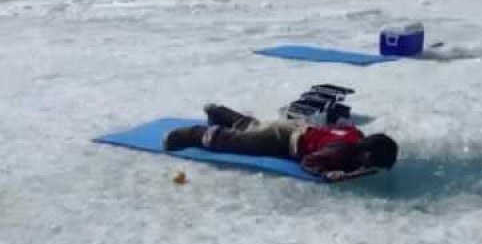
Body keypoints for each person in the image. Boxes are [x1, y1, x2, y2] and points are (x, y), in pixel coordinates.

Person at [163, 104, 398, 181]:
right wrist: (331, 173)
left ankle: (220, 113)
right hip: (284, 139)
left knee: (255, 128)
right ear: (367, 156)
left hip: (299, 128)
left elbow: (341, 128)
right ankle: (190, 134)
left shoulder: (355, 134)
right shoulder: (340, 151)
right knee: (237, 142)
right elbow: (310, 161)